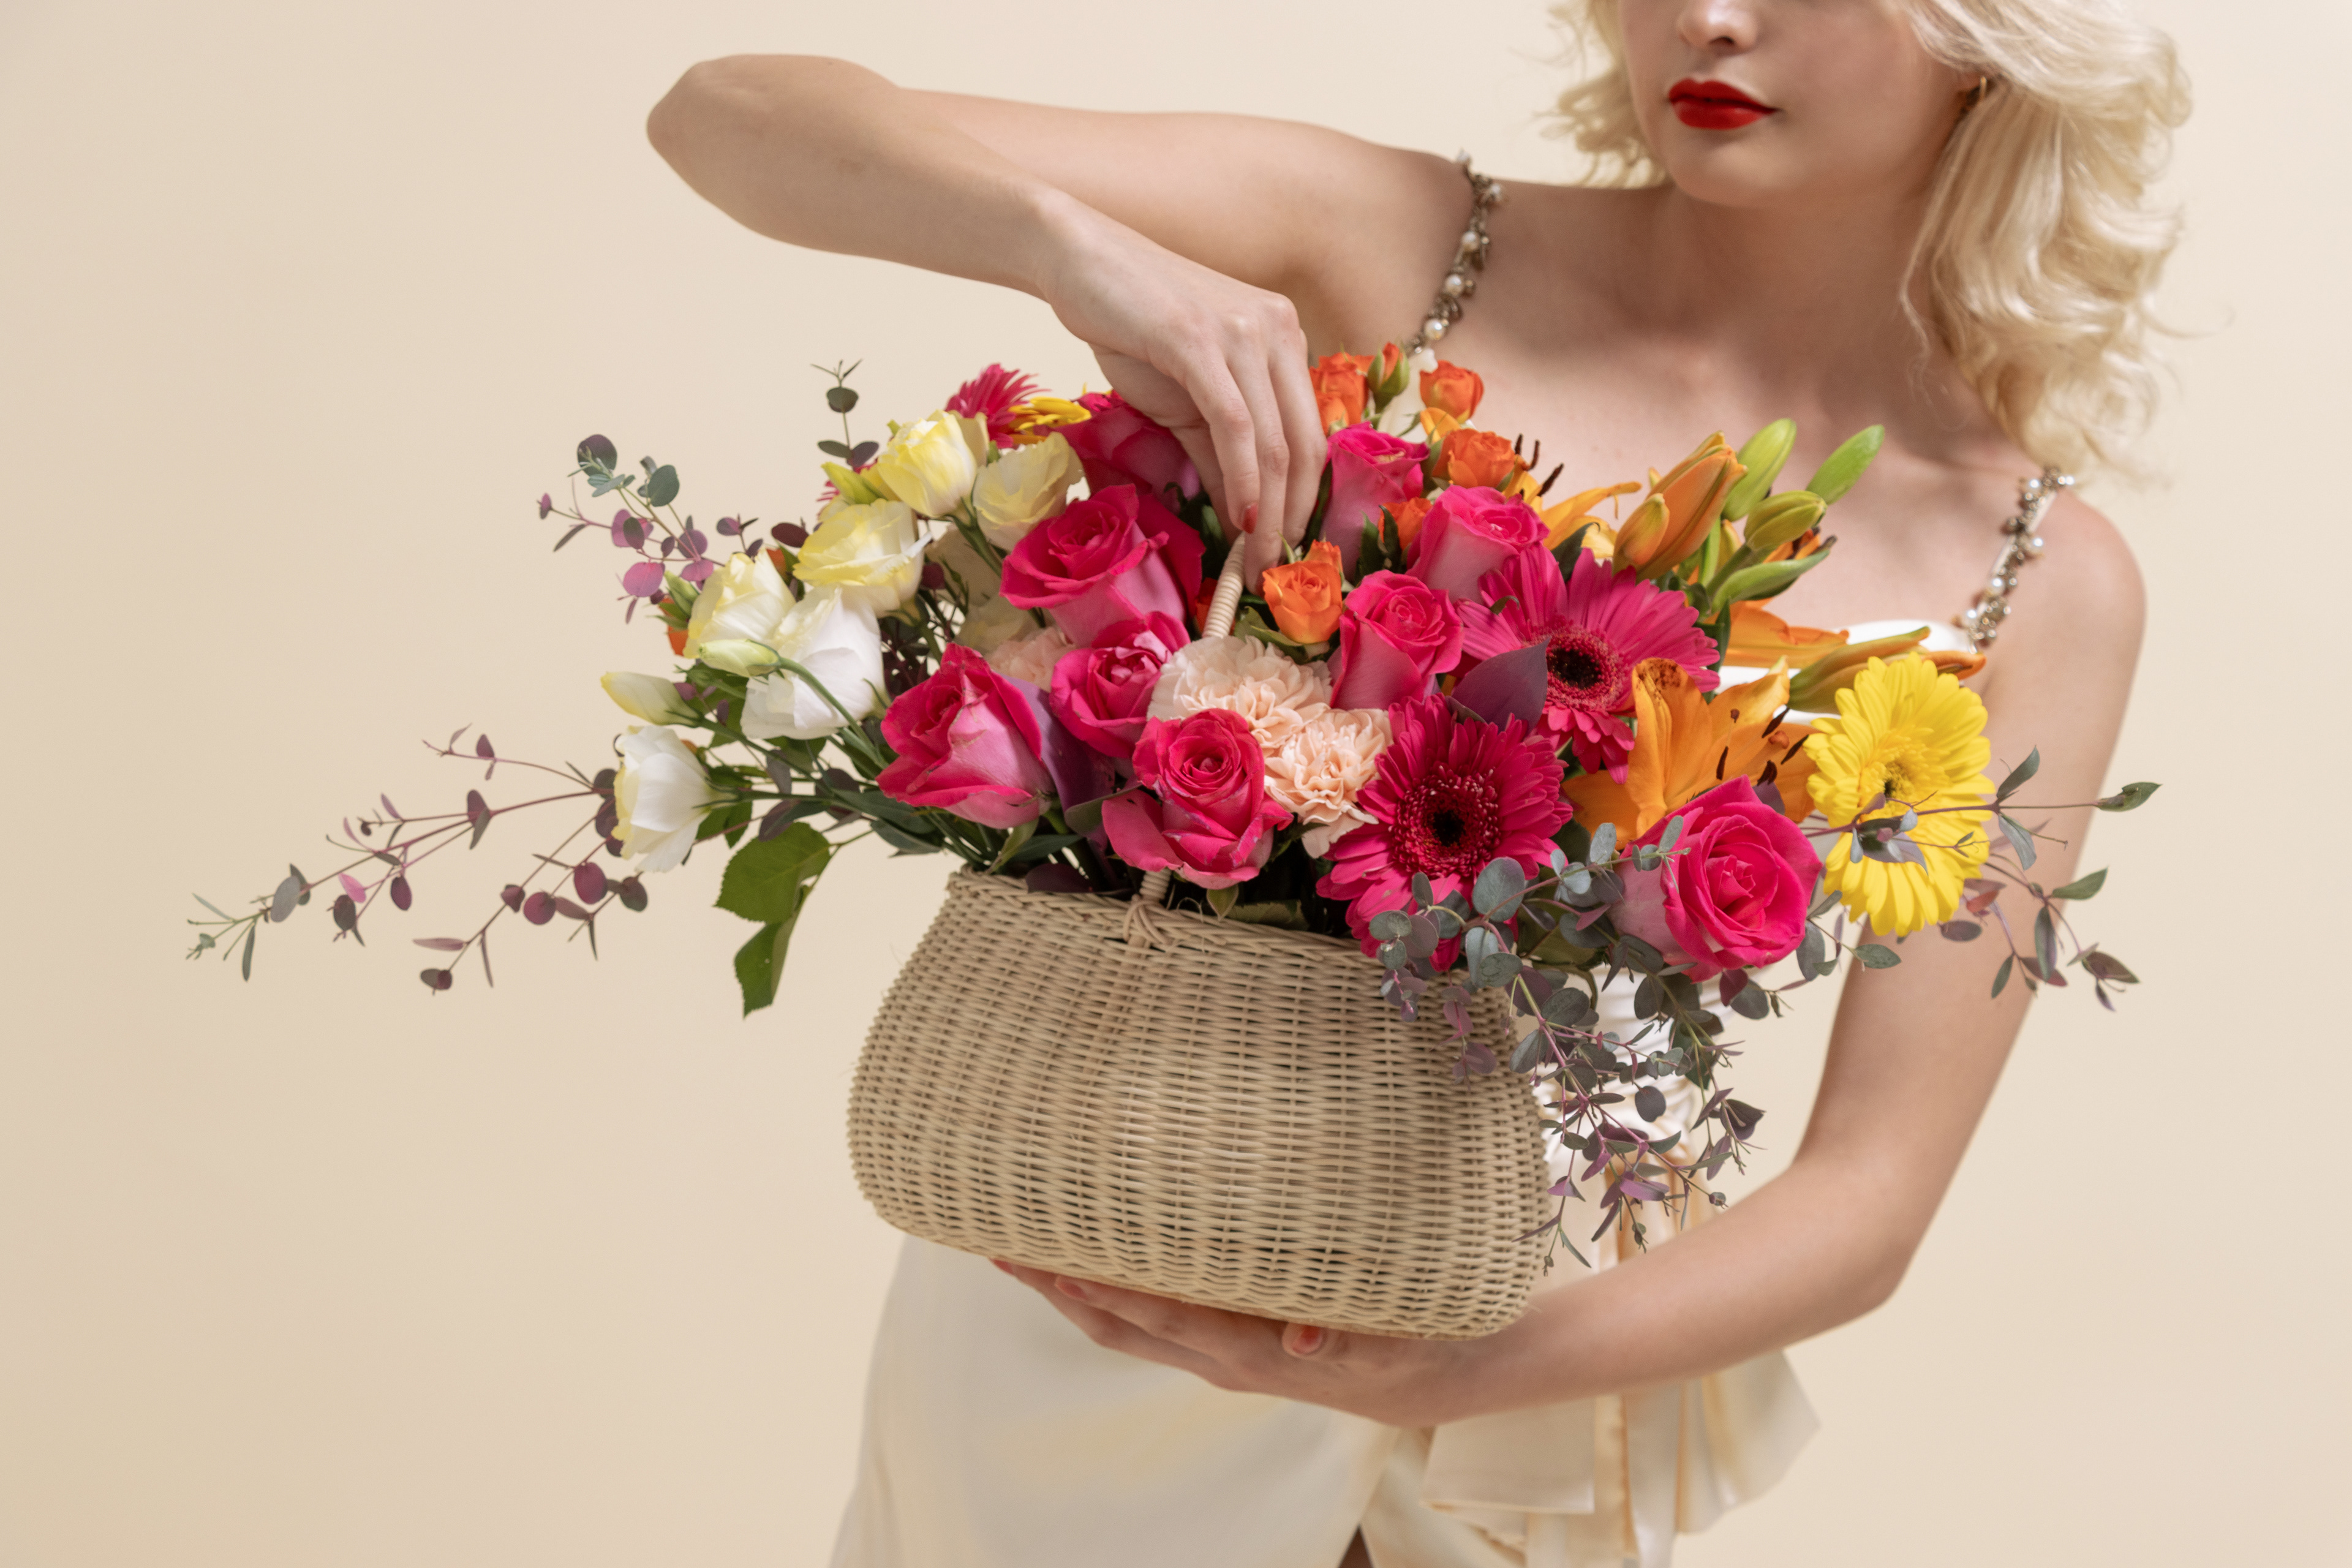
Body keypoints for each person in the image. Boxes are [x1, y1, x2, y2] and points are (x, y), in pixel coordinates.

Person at [647, 2, 2187, 1562]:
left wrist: (1447, 1367)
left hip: (1524, 1368)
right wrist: (1077, 252)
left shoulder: (2047, 583)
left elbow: (1868, 1197)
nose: (1711, 18)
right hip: (1116, 1271)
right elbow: (725, 112)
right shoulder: (1397, 240)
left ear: (1985, 37)